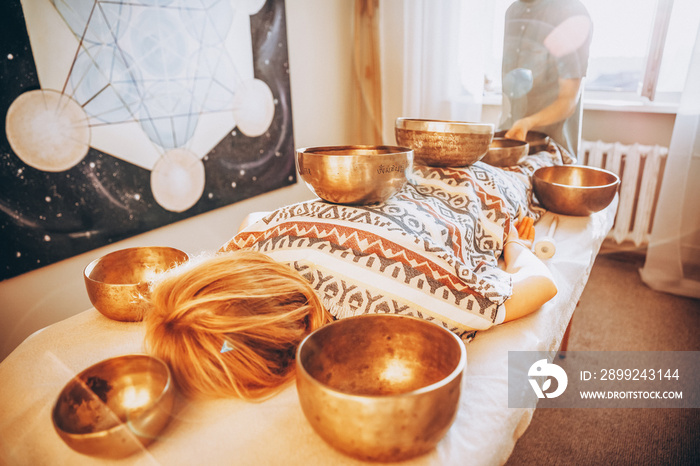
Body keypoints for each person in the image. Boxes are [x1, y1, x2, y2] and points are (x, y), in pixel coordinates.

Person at [144, 153, 561, 400]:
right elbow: (250, 220)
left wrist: (515, 249)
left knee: (538, 165)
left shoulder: (397, 296)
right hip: (415, 181)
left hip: (476, 195)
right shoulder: (251, 244)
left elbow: (541, 286)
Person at [499, 0, 593, 160]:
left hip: (552, 150)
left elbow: (568, 101)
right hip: (512, 142)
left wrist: (526, 123)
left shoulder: (569, 10)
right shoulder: (513, 11)